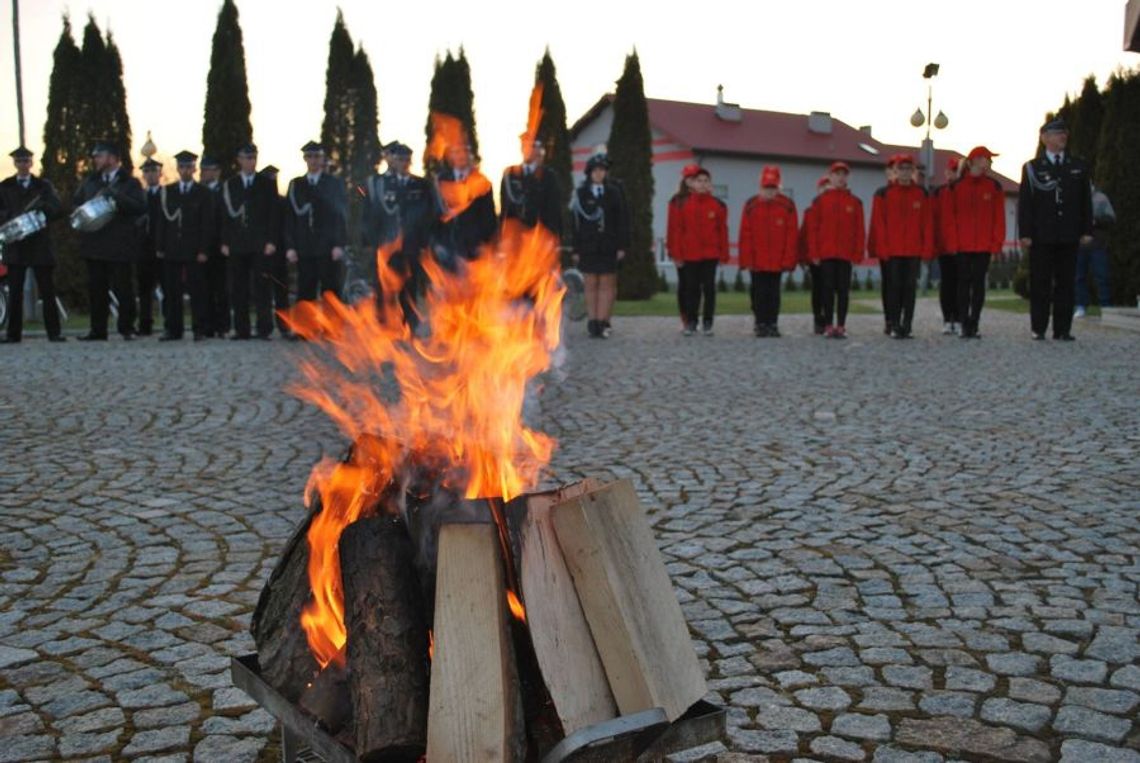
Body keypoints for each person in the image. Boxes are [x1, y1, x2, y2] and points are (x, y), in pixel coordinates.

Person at [1018, 117, 1093, 341]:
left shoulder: (1077, 166)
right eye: (1057, 133)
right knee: (1040, 283)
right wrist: (1025, 233)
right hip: (1042, 236)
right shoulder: (1033, 168)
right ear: (1045, 138)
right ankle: (1038, 327)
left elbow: (1085, 202)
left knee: (1066, 284)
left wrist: (1087, 229)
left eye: (1064, 133)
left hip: (1069, 234)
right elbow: (1026, 204)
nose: (1063, 137)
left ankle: (1063, 329)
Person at [72, 140, 145, 341]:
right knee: (97, 290)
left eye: (100, 156)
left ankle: (127, 328)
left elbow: (139, 207)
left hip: (119, 244)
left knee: (124, 289)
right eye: (95, 156)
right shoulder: (90, 182)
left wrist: (116, 197)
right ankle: (98, 330)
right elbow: (76, 203)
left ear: (113, 158)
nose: (96, 160)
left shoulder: (130, 183)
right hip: (94, 244)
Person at [362, 141, 433, 327]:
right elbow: (370, 215)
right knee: (383, 286)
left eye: (407, 159)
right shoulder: (379, 184)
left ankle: (409, 324)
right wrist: (372, 241)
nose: (404, 162)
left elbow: (428, 216)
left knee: (410, 286)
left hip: (412, 245)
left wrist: (425, 243)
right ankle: (383, 323)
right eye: (400, 159)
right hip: (386, 245)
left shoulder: (421, 185)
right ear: (392, 160)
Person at [0, 146, 66, 343]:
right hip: (16, 243)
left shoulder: (43, 186)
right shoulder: (5, 186)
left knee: (47, 290)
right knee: (15, 292)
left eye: (26, 161)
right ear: (15, 163)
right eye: (19, 161)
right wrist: (12, 217)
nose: (23, 165)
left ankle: (54, 333)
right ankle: (13, 334)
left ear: (31, 163)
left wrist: (43, 210)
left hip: (39, 243)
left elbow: (58, 208)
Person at [868, 154, 932, 339]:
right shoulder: (884, 194)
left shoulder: (921, 194)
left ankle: (907, 325)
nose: (905, 173)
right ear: (895, 171)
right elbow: (879, 223)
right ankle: (894, 324)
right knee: (894, 287)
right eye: (901, 169)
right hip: (893, 250)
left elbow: (927, 223)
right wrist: (883, 248)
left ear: (913, 172)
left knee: (910, 288)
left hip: (913, 250)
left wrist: (926, 248)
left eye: (908, 169)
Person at [945, 146, 1005, 339]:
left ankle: (975, 323)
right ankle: (964, 323)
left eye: (989, 159)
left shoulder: (994, 187)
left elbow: (999, 218)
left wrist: (996, 244)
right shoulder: (956, 187)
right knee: (963, 284)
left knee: (978, 284)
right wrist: (952, 243)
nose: (989, 163)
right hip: (962, 245)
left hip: (983, 246)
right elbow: (950, 217)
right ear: (975, 161)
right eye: (986, 159)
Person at [220, 143, 279, 340]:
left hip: (260, 244)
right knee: (238, 288)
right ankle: (241, 329)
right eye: (247, 158)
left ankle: (264, 328)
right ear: (239, 160)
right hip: (237, 243)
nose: (251, 162)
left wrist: (271, 240)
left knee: (262, 287)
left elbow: (273, 214)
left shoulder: (266, 183)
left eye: (253, 158)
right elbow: (225, 217)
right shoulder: (230, 185)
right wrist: (225, 241)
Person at [155, 151, 214, 341]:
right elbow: (161, 222)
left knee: (198, 291)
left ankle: (200, 328)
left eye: (189, 166)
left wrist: (204, 250)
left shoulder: (203, 193)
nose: (185, 170)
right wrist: (160, 246)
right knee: (172, 292)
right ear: (178, 169)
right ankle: (173, 329)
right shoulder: (168, 191)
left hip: (194, 250)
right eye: (182, 167)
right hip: (172, 248)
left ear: (194, 168)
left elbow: (207, 224)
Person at [570, 153, 629, 338]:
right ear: (589, 172)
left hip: (609, 245)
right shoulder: (581, 193)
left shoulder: (614, 192)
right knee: (590, 284)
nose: (598, 174)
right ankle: (593, 321)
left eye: (602, 170)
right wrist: (575, 248)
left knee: (606, 284)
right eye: (595, 170)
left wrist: (622, 245)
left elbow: (622, 220)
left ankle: (603, 322)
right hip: (588, 246)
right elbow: (575, 223)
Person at [284, 141, 348, 311]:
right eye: (310, 156)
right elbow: (290, 218)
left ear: (323, 159)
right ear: (305, 159)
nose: (313, 160)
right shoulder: (296, 184)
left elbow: (340, 217)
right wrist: (290, 246)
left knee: (331, 291)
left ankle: (332, 330)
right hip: (304, 246)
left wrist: (339, 244)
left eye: (317, 156)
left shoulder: (333, 183)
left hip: (328, 246)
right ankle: (306, 330)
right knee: (305, 290)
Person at [666, 164, 728, 336]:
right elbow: (676, 230)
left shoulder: (718, 205)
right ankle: (691, 321)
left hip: (710, 254)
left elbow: (722, 230)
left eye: (705, 181)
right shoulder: (682, 203)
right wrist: (676, 253)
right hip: (690, 254)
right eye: (698, 180)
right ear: (691, 184)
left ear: (710, 184)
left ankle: (708, 322)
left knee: (709, 288)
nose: (701, 184)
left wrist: (724, 253)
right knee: (691, 288)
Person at [738, 165, 797, 337]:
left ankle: (772, 323)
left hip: (777, 261)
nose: (770, 192)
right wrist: (746, 259)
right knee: (758, 293)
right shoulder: (751, 205)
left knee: (773, 294)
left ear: (778, 187)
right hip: (757, 261)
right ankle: (759, 322)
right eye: (766, 188)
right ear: (760, 187)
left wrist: (788, 260)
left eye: (773, 188)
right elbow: (745, 233)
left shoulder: (787, 206)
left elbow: (791, 235)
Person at [810, 161, 865, 338]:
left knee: (843, 290)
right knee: (827, 289)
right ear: (830, 177)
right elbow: (814, 229)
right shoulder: (820, 201)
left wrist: (857, 253)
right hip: (826, 253)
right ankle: (827, 325)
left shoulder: (854, 202)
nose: (841, 178)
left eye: (844, 174)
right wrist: (814, 252)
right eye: (837, 174)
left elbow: (859, 230)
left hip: (845, 254)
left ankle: (841, 325)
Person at [432, 139, 496, 265]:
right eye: (456, 152)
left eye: (465, 152)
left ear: (471, 155)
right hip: (447, 246)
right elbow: (434, 215)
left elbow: (489, 217)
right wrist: (436, 243)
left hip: (474, 247)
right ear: (450, 156)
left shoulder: (481, 182)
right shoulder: (440, 181)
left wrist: (487, 244)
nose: (461, 156)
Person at [499, 133, 563, 238]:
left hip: (539, 238)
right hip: (515, 238)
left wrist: (553, 237)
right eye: (525, 145)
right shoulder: (510, 175)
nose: (528, 150)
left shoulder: (548, 176)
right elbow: (505, 210)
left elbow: (554, 212)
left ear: (539, 150)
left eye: (532, 146)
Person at [258, 165, 292, 338]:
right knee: (262, 291)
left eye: (274, 178)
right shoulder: (258, 203)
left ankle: (284, 325)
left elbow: (287, 226)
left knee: (281, 292)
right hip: (262, 253)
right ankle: (265, 326)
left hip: (280, 253)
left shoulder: (282, 201)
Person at [199, 155, 229, 337]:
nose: (204, 173)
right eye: (203, 169)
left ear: (217, 172)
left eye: (208, 169)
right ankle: (208, 325)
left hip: (220, 245)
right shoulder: (199, 190)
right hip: (203, 246)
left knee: (222, 288)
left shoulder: (225, 190)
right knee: (205, 288)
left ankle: (223, 325)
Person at [1075, 184, 1115, 317]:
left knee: (1102, 276)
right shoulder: (1074, 199)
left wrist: (1095, 221)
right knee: (1079, 277)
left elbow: (1111, 218)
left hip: (1097, 244)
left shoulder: (1100, 198)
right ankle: (1081, 305)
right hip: (1079, 245)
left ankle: (1106, 306)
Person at [869, 158, 899, 335]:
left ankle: (900, 317)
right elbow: (877, 223)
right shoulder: (883, 193)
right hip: (887, 246)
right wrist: (878, 246)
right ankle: (890, 318)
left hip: (904, 247)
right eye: (893, 170)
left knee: (903, 285)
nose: (896, 173)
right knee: (889, 284)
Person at [933, 157, 962, 335]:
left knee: (961, 283)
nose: (954, 174)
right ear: (946, 173)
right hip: (944, 245)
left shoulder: (964, 190)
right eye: (951, 171)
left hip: (962, 245)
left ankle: (958, 318)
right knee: (947, 283)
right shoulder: (940, 192)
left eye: (957, 171)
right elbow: (935, 218)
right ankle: (947, 318)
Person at [136, 157, 163, 336]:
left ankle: (171, 323)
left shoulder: (167, 194)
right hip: (143, 248)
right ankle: (145, 324)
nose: (150, 175)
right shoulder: (140, 196)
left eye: (154, 171)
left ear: (160, 173)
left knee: (168, 286)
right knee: (144, 289)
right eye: (147, 171)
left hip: (162, 247)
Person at [800, 175, 830, 334]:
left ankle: (829, 318)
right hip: (815, 256)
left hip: (831, 254)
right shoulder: (810, 211)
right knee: (818, 289)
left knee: (830, 289)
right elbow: (804, 234)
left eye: (828, 186)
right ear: (818, 190)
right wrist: (804, 257)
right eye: (823, 187)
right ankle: (818, 318)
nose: (825, 189)